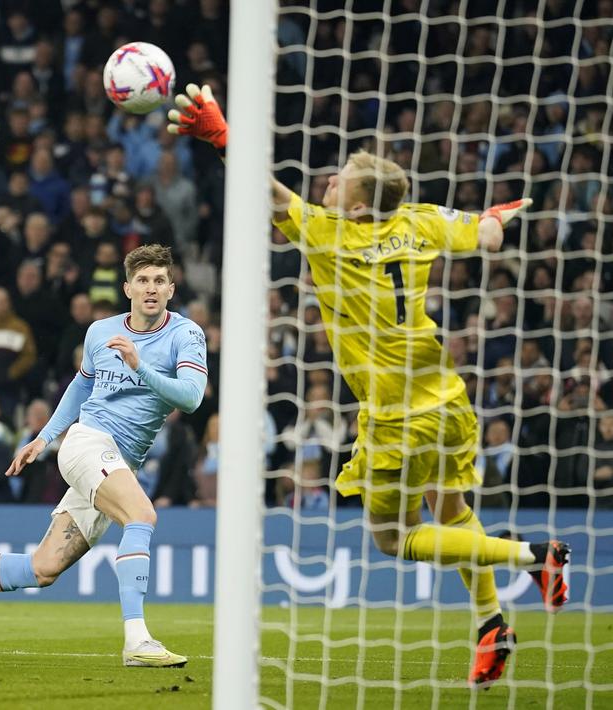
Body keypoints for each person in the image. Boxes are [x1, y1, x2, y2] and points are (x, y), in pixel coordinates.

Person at [167, 81, 570, 688]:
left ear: (357, 209)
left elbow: (265, 191)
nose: (329, 183)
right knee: (452, 511)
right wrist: (491, 217)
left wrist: (221, 137)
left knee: (395, 540)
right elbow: (487, 237)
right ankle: (492, 623)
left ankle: (534, 556)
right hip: (448, 400)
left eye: (341, 182)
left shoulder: (330, 234)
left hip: (395, 417)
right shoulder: (421, 219)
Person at [0, 244, 205, 668]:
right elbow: (81, 386)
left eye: (159, 280)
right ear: (127, 288)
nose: (151, 288)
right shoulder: (100, 332)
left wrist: (140, 365)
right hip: (88, 444)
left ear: (171, 289)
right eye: (142, 280)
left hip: (119, 462)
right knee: (141, 516)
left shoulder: (185, 335)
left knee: (43, 568)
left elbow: (191, 398)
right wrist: (44, 437)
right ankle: (137, 641)